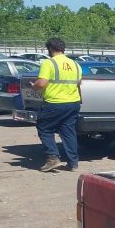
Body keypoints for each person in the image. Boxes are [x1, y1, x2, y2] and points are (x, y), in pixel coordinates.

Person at [30, 38, 82, 172]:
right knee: (68, 131)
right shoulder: (75, 64)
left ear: (50, 49)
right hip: (73, 103)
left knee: (45, 128)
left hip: (55, 102)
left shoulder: (49, 63)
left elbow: (41, 83)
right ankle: (73, 163)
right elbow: (78, 84)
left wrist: (34, 87)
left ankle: (52, 158)